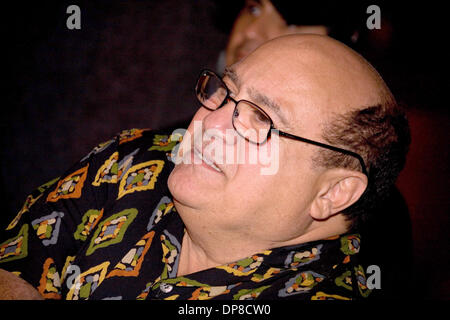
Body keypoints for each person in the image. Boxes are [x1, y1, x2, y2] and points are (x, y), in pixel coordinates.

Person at [0, 34, 410, 300]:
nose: (207, 122)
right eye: (226, 92)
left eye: (262, 120)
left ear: (331, 193)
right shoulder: (136, 158)